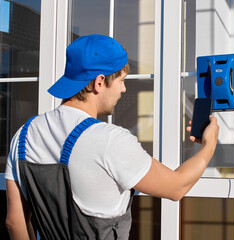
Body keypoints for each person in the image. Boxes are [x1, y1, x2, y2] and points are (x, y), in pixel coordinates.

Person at [5, 34, 219, 240]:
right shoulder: (108, 139)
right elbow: (176, 187)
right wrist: (209, 145)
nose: (124, 89)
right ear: (99, 82)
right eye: (121, 80)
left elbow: (15, 222)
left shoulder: (23, 135)